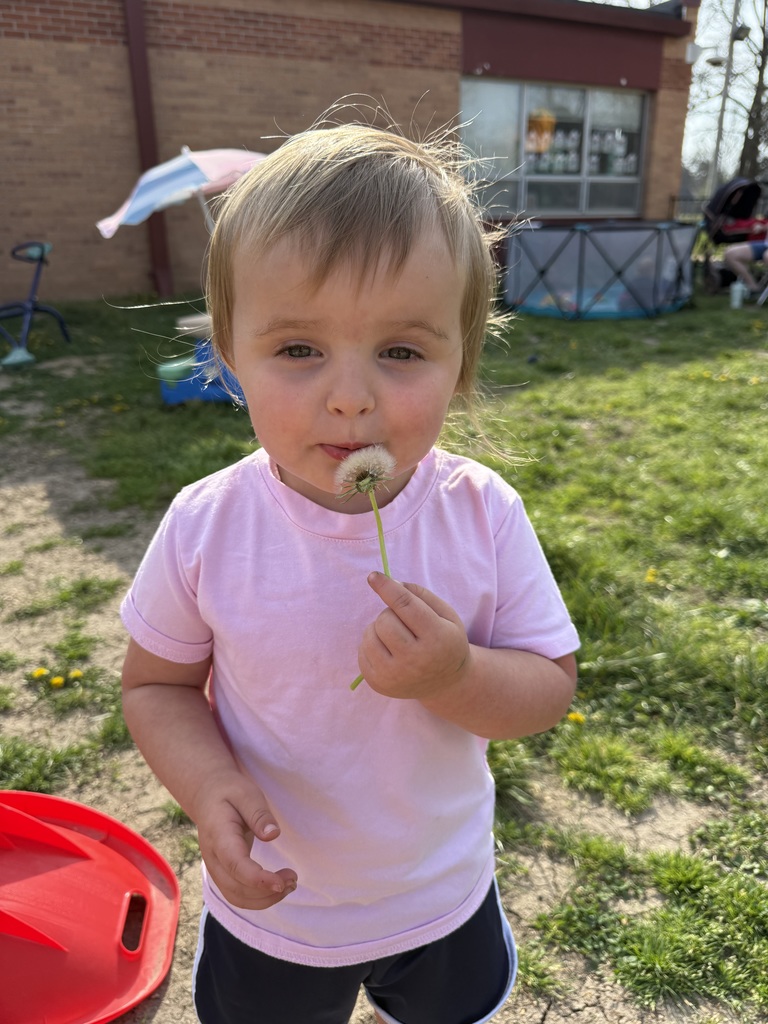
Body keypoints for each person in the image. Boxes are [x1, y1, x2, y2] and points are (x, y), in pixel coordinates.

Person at [120, 116, 579, 1024]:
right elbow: (156, 688)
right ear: (230, 357)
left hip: (440, 896)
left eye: (402, 351)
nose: (350, 395)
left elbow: (549, 686)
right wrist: (209, 788)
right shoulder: (207, 526)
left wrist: (459, 676)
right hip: (279, 910)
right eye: (298, 349)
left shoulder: (482, 512)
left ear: (461, 364)